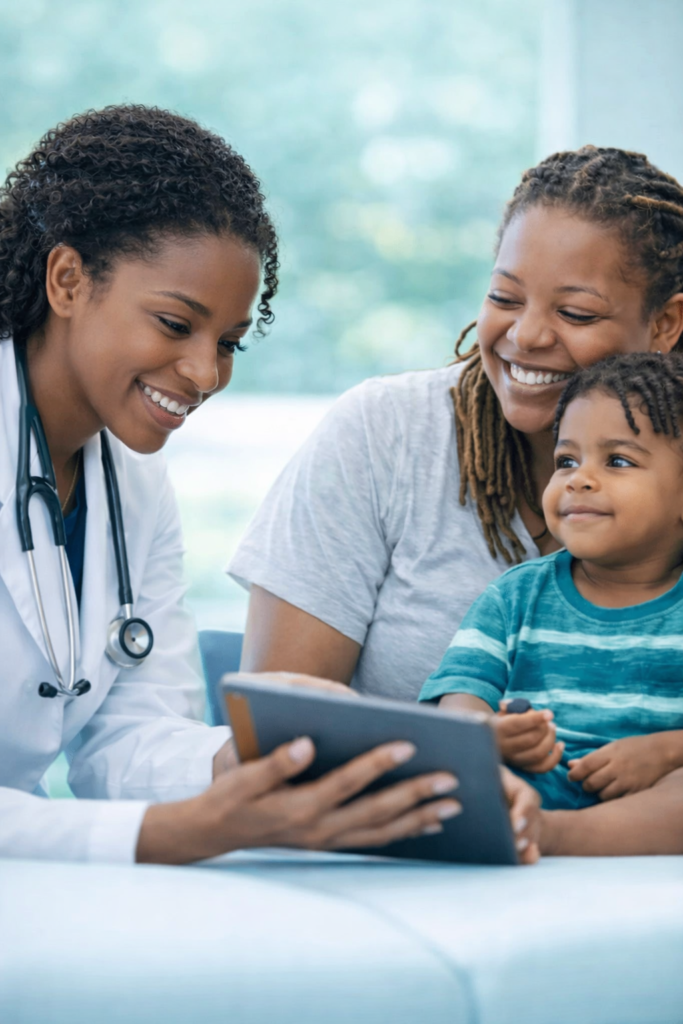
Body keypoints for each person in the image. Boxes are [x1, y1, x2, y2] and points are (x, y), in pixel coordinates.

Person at [3, 103, 516, 864]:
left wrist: (257, 758)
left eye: (229, 343)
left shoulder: (134, 483)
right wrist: (180, 831)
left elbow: (127, 738)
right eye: (175, 324)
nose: (205, 373)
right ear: (68, 280)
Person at [231, 146, 683, 854]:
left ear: (665, 324)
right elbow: (275, 734)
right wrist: (469, 751)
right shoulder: (383, 433)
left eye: (574, 311)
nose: (526, 335)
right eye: (504, 298)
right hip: (415, 855)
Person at [420, 352, 683, 833]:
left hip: (652, 806)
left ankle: (556, 837)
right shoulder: (514, 597)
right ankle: (530, 827)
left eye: (618, 461)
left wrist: (665, 751)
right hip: (529, 789)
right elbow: (460, 708)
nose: (579, 479)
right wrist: (492, 734)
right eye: (567, 461)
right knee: (443, 767)